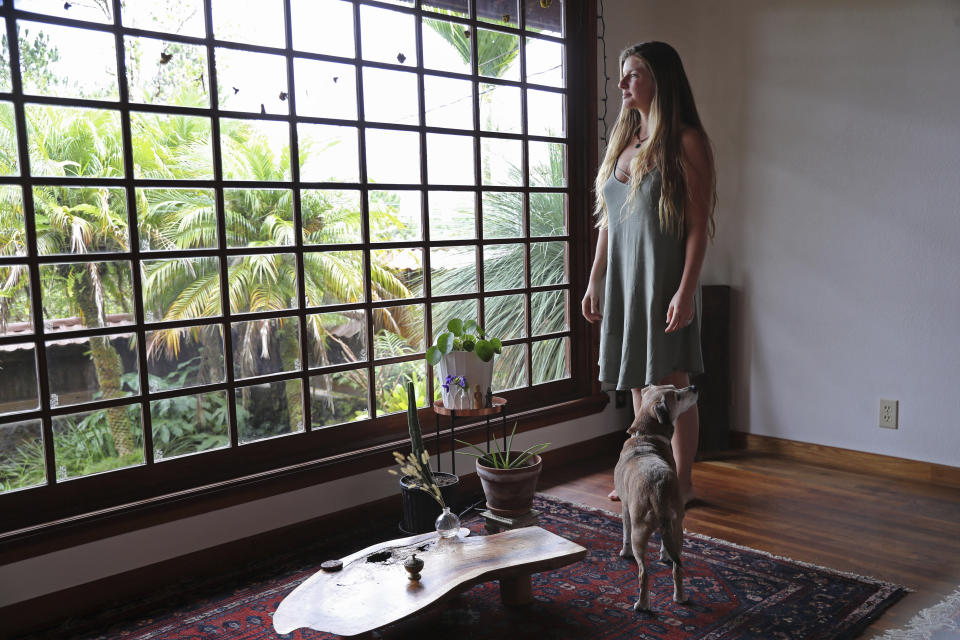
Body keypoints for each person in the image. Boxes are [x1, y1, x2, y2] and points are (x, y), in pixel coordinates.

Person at [582, 41, 717, 506]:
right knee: (640, 381)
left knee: (674, 385)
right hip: (624, 281)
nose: (622, 83)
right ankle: (642, 477)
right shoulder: (623, 141)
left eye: (633, 74)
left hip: (663, 281)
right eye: (622, 74)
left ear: (660, 79)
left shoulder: (686, 141)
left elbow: (699, 227)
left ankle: (683, 483)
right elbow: (609, 221)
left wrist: (686, 290)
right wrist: (595, 277)